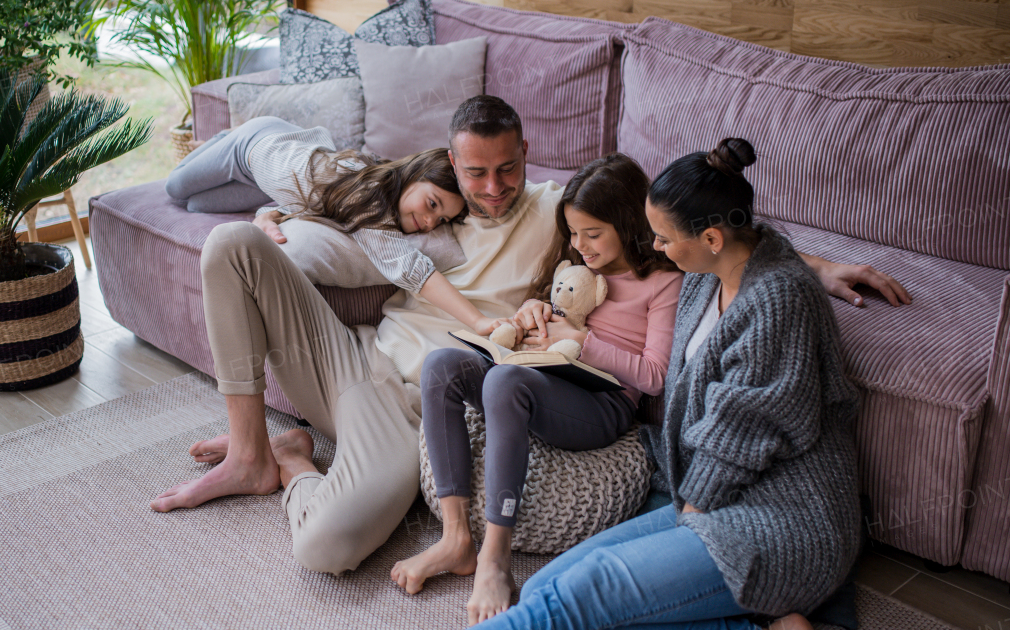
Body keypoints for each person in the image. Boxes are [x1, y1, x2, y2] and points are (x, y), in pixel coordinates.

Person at [151, 95, 909, 580]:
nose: (490, 188)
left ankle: (292, 466)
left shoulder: (556, 207)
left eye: (506, 169)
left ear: (526, 155)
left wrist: (815, 262)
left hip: (412, 409)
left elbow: (684, 229)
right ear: (451, 161)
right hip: (351, 362)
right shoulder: (422, 203)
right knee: (229, 247)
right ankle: (251, 449)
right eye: (475, 172)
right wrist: (272, 220)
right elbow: (331, 226)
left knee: (327, 550)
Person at [256, 138, 876, 630]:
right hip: (713, 498)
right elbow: (762, 244)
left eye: (662, 238)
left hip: (780, 522)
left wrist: (686, 511)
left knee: (571, 603)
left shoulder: (773, 303)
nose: (654, 247)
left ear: (711, 239)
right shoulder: (719, 267)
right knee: (549, 596)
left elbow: (745, 430)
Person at [391, 154, 683, 625]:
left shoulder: (662, 282)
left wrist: (583, 343)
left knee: (506, 381)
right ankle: (455, 537)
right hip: (546, 377)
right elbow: (558, 314)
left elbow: (653, 375)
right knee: (443, 364)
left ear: (628, 222)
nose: (580, 245)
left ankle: (495, 557)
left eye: (593, 234)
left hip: (603, 403)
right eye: (573, 232)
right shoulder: (577, 269)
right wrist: (534, 313)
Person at [165, 116, 505, 336]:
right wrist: (478, 321)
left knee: (199, 204)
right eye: (432, 204)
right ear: (412, 175)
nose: (430, 223)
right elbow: (411, 269)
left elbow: (317, 203)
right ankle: (229, 130)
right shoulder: (370, 196)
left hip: (268, 177)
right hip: (254, 143)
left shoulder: (362, 203)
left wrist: (269, 213)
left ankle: (254, 178)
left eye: (442, 220)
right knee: (177, 190)